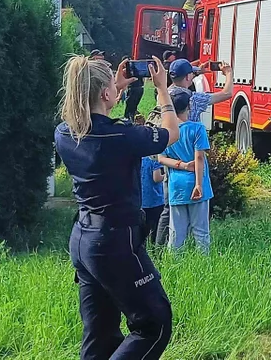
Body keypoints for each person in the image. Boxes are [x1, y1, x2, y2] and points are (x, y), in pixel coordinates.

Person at [55, 54, 179, 359]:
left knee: (100, 335)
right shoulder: (122, 136)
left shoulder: (65, 132)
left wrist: (116, 85)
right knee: (154, 323)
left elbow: (93, 111)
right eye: (111, 83)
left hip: (84, 239)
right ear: (105, 94)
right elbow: (171, 133)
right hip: (116, 242)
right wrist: (162, 89)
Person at [153, 59, 233, 246]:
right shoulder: (193, 100)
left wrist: (197, 71)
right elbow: (227, 93)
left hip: (171, 163)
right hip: (193, 162)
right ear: (188, 77)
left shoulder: (164, 96)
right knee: (199, 224)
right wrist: (228, 73)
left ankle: (160, 248)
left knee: (170, 210)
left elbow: (180, 80)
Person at [158, 92, 213, 253]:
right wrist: (198, 184)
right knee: (201, 232)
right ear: (189, 106)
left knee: (176, 232)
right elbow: (199, 158)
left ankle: (174, 265)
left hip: (177, 185)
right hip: (197, 183)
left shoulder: (166, 131)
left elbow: (161, 159)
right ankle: (204, 266)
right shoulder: (197, 129)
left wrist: (181, 165)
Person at [140, 154, 165, 245]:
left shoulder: (138, 157)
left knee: (142, 230)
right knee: (155, 230)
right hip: (155, 200)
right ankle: (155, 250)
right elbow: (157, 178)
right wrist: (166, 173)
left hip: (140, 200)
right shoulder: (154, 158)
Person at [121, 56, 145, 123]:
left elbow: (123, 84)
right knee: (133, 107)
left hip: (133, 89)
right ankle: (133, 120)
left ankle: (129, 121)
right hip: (140, 88)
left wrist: (120, 95)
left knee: (129, 109)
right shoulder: (137, 69)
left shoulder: (125, 71)